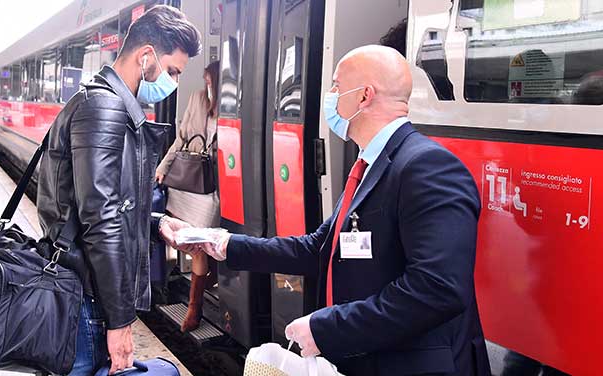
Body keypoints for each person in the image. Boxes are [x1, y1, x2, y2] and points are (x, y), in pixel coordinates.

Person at [167, 45, 490, 375]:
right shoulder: (370, 164)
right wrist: (222, 243)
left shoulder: (427, 167)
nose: (330, 96)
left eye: (336, 86)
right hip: (373, 356)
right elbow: (320, 248)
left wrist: (326, 328)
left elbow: (437, 288)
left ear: (364, 96)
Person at [33, 5, 202, 374]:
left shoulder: (102, 101)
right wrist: (120, 322)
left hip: (88, 293)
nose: (172, 81)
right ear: (146, 57)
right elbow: (101, 219)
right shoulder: (105, 108)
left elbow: (110, 202)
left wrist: (156, 223)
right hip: (87, 300)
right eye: (172, 70)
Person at [153, 61, 220, 333]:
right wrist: (162, 168)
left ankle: (195, 306)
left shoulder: (229, 107)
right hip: (186, 181)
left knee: (200, 242)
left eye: (209, 80)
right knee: (192, 241)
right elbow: (180, 139)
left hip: (210, 186)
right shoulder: (197, 99)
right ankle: (201, 291)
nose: (205, 85)